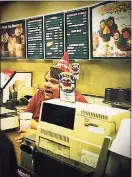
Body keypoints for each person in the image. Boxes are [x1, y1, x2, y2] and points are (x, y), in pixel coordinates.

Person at [15, 66, 88, 143]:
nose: (47, 85)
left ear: (66, 86)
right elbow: (26, 118)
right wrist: (43, 133)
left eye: (53, 82)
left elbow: (77, 135)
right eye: (46, 80)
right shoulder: (40, 93)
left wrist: (39, 133)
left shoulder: (78, 101)